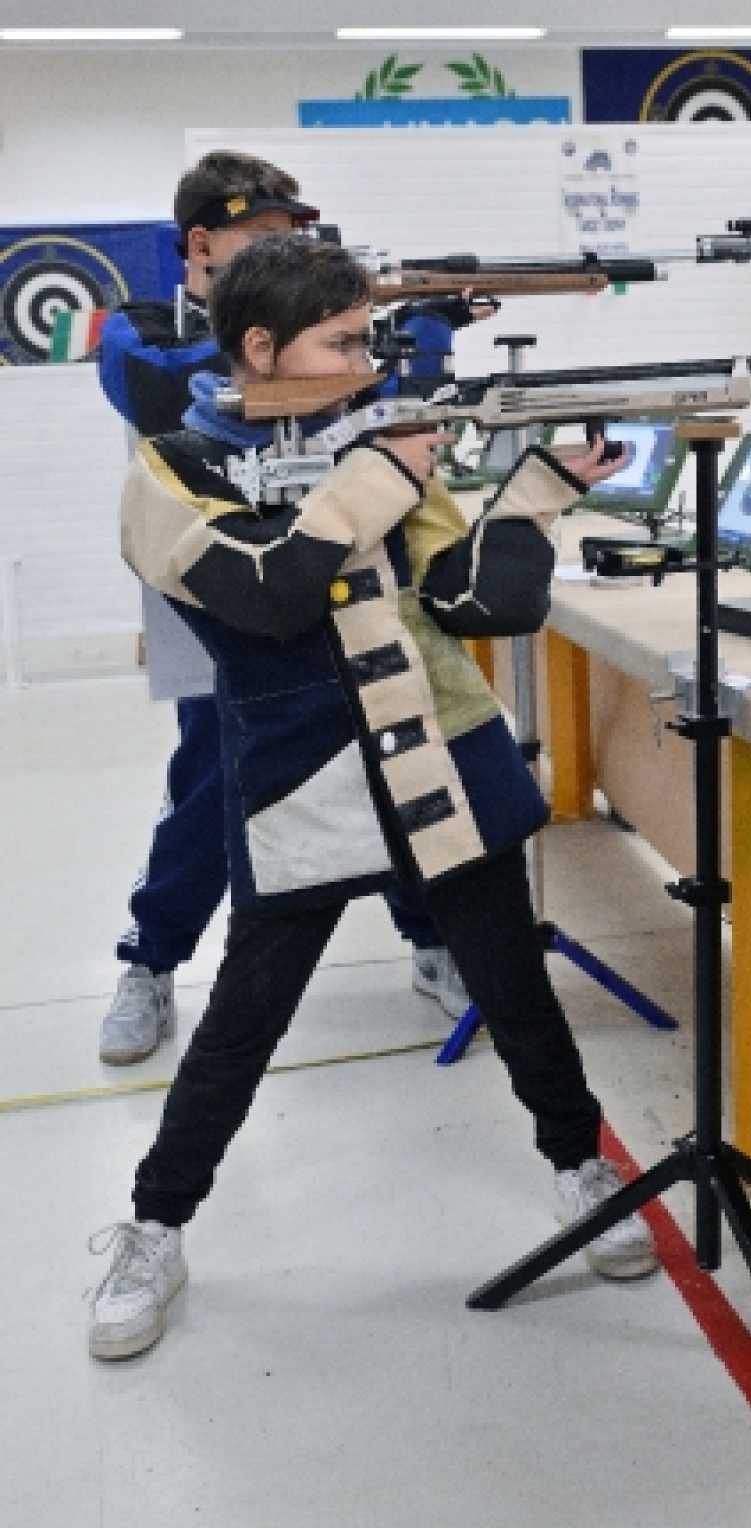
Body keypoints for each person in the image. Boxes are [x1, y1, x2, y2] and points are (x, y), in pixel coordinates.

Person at [88, 233, 658, 1359]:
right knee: (242, 1022)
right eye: (343, 343)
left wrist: (536, 494)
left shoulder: (376, 448)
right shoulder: (172, 471)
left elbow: (477, 603)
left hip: (441, 755)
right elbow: (267, 595)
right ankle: (155, 1227)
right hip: (300, 777)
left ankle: (579, 1165)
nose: (368, 363)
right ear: (260, 347)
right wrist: (383, 475)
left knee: (516, 989)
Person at [96, 150, 475, 1066]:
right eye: (265, 236)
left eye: (295, 237)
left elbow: (390, 408)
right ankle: (150, 961)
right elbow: (170, 385)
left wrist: (416, 334)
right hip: (215, 585)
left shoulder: (321, 332)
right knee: (213, 783)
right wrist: (304, 325)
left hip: (336, 569)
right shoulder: (142, 330)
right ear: (202, 243)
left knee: (390, 756)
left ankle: (432, 940)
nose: (286, 250)